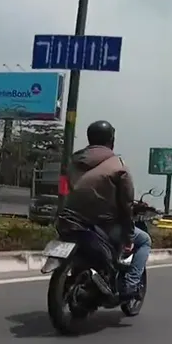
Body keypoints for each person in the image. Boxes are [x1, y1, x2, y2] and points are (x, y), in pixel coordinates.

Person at [56, 120, 152, 300]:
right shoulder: (118, 166)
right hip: (103, 225)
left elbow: (70, 189)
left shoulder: (73, 161)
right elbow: (126, 204)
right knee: (144, 240)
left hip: (70, 219)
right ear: (111, 140)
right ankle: (130, 285)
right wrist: (129, 236)